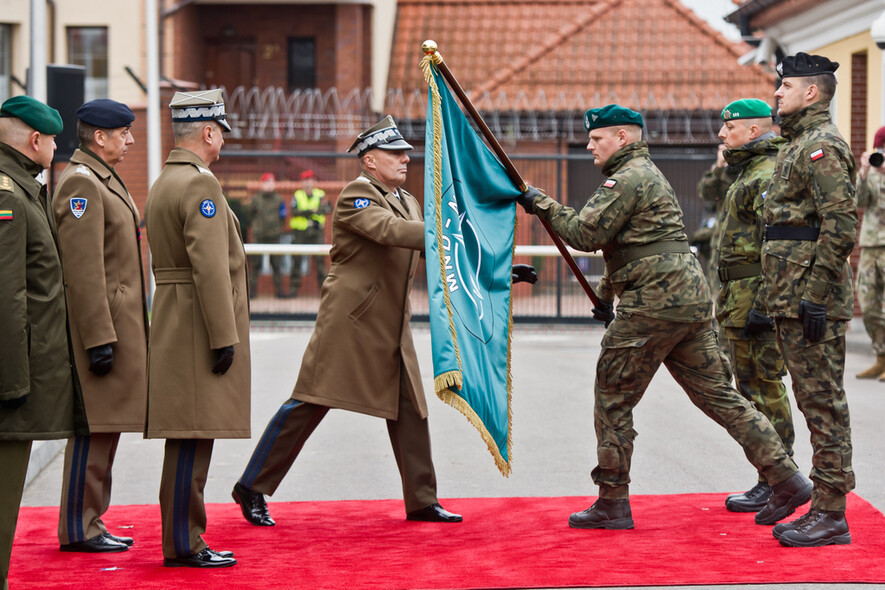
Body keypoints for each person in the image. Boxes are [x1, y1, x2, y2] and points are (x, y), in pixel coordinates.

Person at [231, 116, 537, 527]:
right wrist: (455, 233)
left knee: (412, 410)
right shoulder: (357, 196)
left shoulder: (408, 201)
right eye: (394, 153)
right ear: (369, 160)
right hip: (351, 323)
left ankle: (422, 500)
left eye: (406, 153)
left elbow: (438, 256)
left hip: (392, 324)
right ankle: (252, 486)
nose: (405, 159)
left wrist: (496, 271)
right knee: (310, 402)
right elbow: (391, 231)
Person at [516, 104, 810, 531]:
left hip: (653, 305)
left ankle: (612, 501)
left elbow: (585, 234)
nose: (589, 145)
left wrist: (537, 201)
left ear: (623, 138)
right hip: (687, 302)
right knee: (719, 396)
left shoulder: (628, 177)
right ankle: (786, 477)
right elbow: (632, 246)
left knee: (614, 395)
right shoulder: (646, 175)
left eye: (596, 138)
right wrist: (605, 293)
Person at [144, 89, 250, 568]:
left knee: (185, 436)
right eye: (221, 133)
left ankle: (182, 538)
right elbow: (210, 268)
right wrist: (224, 337)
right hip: (196, 323)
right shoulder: (200, 185)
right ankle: (186, 542)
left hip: (175, 314)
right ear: (208, 131)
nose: (223, 142)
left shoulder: (166, 179)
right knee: (192, 436)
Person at [761, 53, 857, 547]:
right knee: (811, 401)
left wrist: (815, 297)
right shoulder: (796, 144)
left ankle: (831, 512)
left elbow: (840, 225)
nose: (777, 94)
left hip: (810, 301)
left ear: (812, 93)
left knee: (824, 406)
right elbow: (784, 231)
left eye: (786, 86)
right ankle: (824, 506)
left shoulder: (822, 147)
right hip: (790, 297)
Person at [51, 99, 148, 553]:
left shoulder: (100, 178)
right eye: (124, 133)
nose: (130, 141)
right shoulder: (82, 183)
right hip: (101, 329)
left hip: (117, 324)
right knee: (93, 429)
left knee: (107, 427)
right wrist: (99, 340)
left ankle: (91, 521)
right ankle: (77, 527)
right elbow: (84, 271)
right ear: (99, 136)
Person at [0, 95, 87, 589]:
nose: (56, 147)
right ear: (35, 140)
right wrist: (13, 384)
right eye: (53, 139)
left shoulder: (21, 187)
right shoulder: (9, 194)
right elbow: (7, 296)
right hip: (11, 380)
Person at [714, 99, 795, 514]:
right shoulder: (748, 170)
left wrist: (765, 301)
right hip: (738, 297)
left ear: (751, 131)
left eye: (730, 128)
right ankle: (772, 476)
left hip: (754, 298)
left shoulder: (765, 173)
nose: (722, 135)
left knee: (763, 388)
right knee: (751, 391)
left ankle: (780, 478)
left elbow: (777, 241)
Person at [854, 130, 885, 379]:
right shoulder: (871, 172)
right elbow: (859, 202)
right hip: (871, 246)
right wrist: (863, 174)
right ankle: (881, 356)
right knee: (868, 303)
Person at [692, 143, 735, 293]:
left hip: (739, 239)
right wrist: (719, 165)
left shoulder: (746, 165)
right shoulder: (721, 169)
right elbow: (705, 192)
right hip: (719, 238)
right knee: (718, 294)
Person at [287, 169, 329, 297]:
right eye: (306, 181)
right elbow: (294, 211)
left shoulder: (320, 194)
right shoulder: (297, 195)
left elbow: (326, 208)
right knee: (296, 261)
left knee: (320, 262)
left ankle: (324, 292)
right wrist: (312, 211)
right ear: (302, 183)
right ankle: (293, 290)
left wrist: (305, 211)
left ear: (314, 182)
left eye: (310, 180)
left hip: (316, 231)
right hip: (300, 232)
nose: (308, 183)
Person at [248, 172, 285, 297]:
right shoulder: (256, 199)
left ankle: (279, 291)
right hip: (259, 235)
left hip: (274, 235)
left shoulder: (279, 199)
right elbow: (250, 214)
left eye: (272, 182)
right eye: (267, 182)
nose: (270, 185)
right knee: (255, 264)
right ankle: (252, 291)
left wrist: (277, 228)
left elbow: (282, 216)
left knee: (276, 263)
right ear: (262, 184)